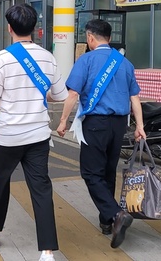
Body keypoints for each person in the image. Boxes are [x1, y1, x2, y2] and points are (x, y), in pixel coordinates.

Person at [0, 4, 69, 261]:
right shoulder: (48, 57)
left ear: (9, 28)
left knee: (0, 183)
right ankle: (47, 252)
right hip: (38, 135)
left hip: (7, 136)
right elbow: (60, 95)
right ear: (35, 29)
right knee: (41, 188)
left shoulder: (1, 59)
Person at [57, 19, 146, 249]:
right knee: (108, 171)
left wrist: (63, 120)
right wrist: (140, 126)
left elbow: (73, 94)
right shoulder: (124, 63)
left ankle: (116, 214)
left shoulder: (86, 60)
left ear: (90, 38)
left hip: (96, 123)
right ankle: (107, 222)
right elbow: (135, 97)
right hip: (119, 125)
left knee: (90, 173)